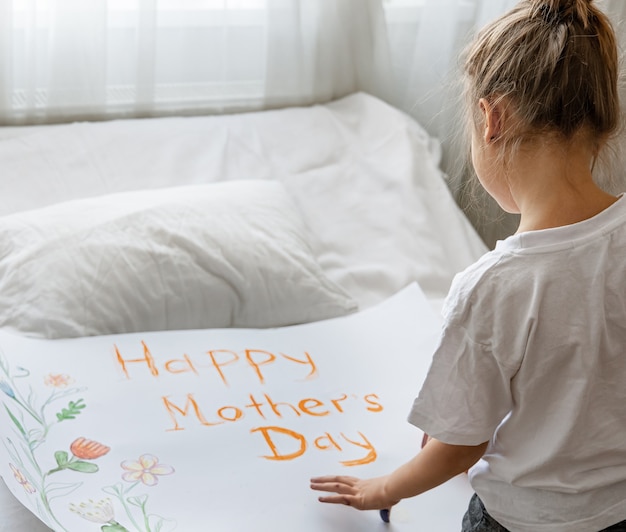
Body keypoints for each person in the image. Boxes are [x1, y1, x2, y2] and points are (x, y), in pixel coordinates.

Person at [309, 0, 626, 530]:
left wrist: (382, 488)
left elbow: (459, 446)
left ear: (491, 117)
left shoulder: (494, 287)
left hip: (522, 520)